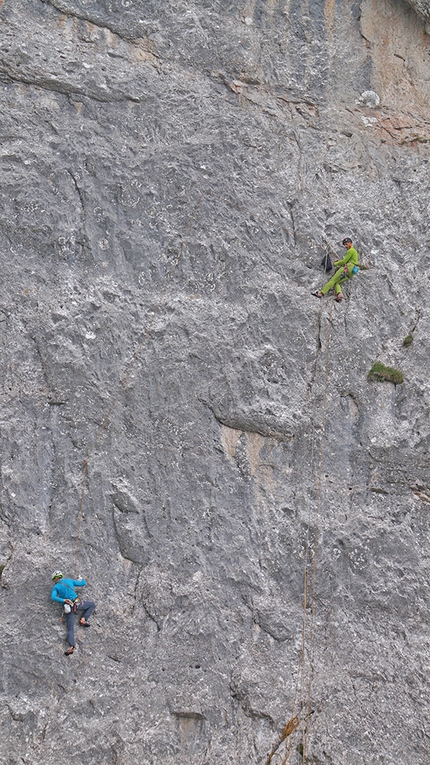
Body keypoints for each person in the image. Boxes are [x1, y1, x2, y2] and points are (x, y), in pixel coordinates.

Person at [51, 571, 96, 656]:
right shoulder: (69, 581)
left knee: (70, 628)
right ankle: (83, 619)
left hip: (68, 607)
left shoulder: (56, 587)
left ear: (54, 579)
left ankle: (71, 646)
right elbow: (83, 583)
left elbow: (53, 597)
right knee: (91, 605)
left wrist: (63, 600)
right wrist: (81, 578)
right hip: (77, 604)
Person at [312, 238, 359, 302]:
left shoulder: (351, 251)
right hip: (351, 272)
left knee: (333, 280)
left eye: (346, 244)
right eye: (344, 245)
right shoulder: (355, 252)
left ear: (351, 243)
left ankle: (321, 293)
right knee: (337, 283)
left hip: (347, 268)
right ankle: (339, 294)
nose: (346, 246)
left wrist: (335, 263)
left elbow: (344, 261)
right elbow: (349, 261)